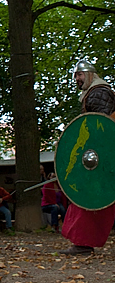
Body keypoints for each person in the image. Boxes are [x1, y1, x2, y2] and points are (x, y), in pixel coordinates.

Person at [60, 60, 115, 255]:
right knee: (94, 199)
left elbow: (101, 126)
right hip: (103, 155)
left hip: (104, 156)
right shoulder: (93, 93)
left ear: (91, 75)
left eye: (80, 74)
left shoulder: (99, 92)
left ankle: (83, 243)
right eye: (75, 75)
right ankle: (82, 242)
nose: (77, 78)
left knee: (92, 198)